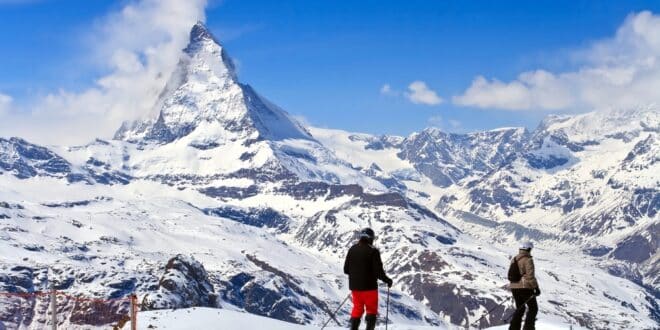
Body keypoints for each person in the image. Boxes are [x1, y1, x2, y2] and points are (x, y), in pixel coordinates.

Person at [343, 228, 393, 330]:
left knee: (357, 309)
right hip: (369, 288)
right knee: (371, 310)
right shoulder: (373, 251)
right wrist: (388, 280)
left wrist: (357, 275)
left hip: (355, 288)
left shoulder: (352, 249)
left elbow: (346, 270)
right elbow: (378, 273)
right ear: (371, 238)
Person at [508, 241, 541, 330]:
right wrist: (536, 288)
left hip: (514, 287)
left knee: (520, 308)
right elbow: (530, 276)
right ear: (529, 249)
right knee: (533, 308)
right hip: (525, 287)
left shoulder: (514, 259)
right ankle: (529, 328)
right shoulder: (528, 259)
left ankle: (513, 328)